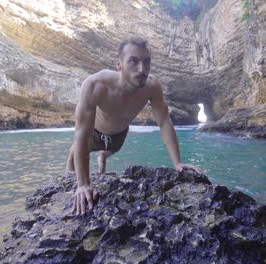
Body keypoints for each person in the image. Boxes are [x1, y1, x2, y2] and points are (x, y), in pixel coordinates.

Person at [65, 36, 203, 215]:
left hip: (119, 134)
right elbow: (82, 132)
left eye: (147, 62)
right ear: (119, 64)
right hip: (94, 132)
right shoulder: (96, 85)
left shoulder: (152, 86)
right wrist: (83, 184)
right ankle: (68, 167)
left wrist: (177, 163)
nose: (142, 69)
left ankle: (103, 158)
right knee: (75, 151)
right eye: (133, 61)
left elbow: (164, 121)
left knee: (109, 151)